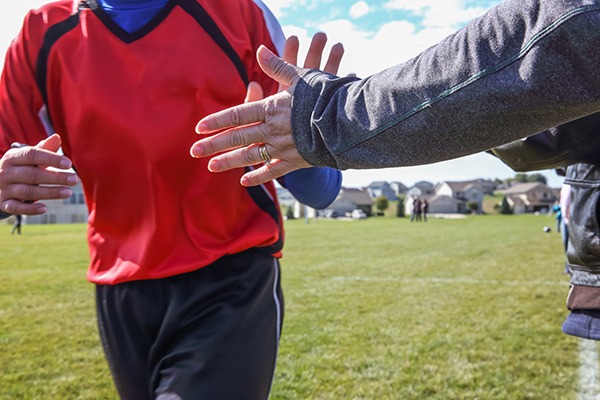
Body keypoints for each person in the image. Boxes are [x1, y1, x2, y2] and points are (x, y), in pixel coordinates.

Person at [188, 0, 600, 343]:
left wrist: (325, 118)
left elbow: (562, 30)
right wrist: (481, 118)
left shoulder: (238, 14)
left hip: (230, 281)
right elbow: (553, 121)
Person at [0, 1, 344, 398]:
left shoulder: (237, 12)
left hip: (228, 276)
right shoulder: (40, 33)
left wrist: (308, 139)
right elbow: (9, 169)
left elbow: (321, 190)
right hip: (119, 284)